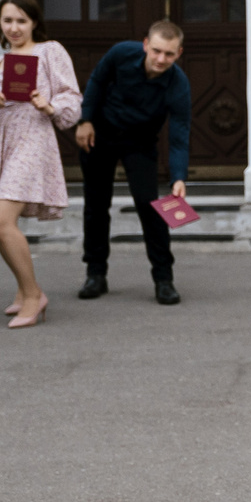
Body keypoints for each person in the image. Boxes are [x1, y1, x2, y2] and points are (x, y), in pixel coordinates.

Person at [0, 0, 81, 328]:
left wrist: (50, 106)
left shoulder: (49, 52)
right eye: (8, 21)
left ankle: (34, 296)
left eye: (21, 20)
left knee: (1, 220)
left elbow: (71, 97)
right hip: (2, 141)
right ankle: (22, 290)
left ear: (34, 23)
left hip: (33, 137)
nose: (14, 28)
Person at [71, 20, 191, 306]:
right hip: (99, 135)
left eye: (170, 54)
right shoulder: (121, 53)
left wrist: (178, 177)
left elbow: (179, 135)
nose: (162, 59)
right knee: (96, 205)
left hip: (140, 143)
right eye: (157, 51)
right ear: (146, 45)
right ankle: (95, 274)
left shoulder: (179, 85)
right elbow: (97, 80)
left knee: (150, 207)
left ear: (179, 53)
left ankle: (164, 279)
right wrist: (85, 119)